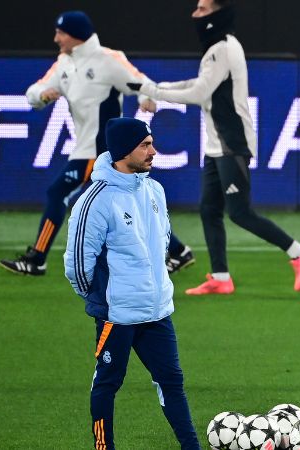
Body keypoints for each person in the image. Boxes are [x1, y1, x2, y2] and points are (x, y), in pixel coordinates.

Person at [128, 0, 300, 295]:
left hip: (233, 142)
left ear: (217, 13)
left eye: (202, 9)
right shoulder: (220, 46)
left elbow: (200, 92)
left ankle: (299, 252)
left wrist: (153, 90)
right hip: (217, 144)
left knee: (240, 212)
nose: (195, 14)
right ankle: (220, 278)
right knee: (209, 209)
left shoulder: (223, 49)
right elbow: (199, 82)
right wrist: (159, 86)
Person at [0, 10, 195, 277]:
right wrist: (42, 96)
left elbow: (141, 83)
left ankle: (37, 259)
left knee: (59, 193)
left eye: (60, 33)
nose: (56, 38)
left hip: (101, 148)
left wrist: (145, 97)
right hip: (86, 147)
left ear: (75, 35)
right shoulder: (64, 63)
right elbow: (34, 92)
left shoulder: (108, 60)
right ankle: (178, 251)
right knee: (129, 201)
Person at [64, 117, 201, 450]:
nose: (153, 151)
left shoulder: (154, 189)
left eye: (151, 143)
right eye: (145, 145)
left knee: (172, 382)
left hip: (157, 311)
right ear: (125, 150)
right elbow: (77, 265)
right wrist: (103, 302)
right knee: (108, 384)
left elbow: (163, 239)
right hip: (118, 315)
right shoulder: (95, 199)